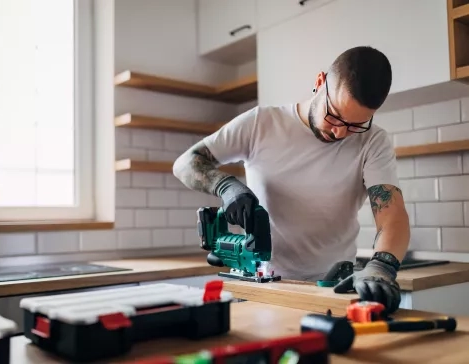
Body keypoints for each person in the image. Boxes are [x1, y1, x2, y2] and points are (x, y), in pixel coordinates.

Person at [172, 46, 410, 314]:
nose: (339, 132)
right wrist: (226, 186)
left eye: (356, 125)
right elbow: (186, 163)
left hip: (332, 289)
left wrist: (383, 265)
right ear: (319, 83)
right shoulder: (261, 123)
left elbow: (392, 216)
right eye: (333, 115)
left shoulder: (373, 141)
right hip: (261, 287)